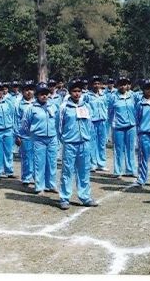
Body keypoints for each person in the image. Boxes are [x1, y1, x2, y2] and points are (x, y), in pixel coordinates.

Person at [58, 78, 98, 210]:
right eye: (74, 91)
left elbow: (90, 124)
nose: (77, 94)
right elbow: (58, 126)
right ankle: (64, 198)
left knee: (84, 171)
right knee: (67, 171)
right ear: (70, 92)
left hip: (84, 143)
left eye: (79, 91)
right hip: (70, 143)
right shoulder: (63, 107)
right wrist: (63, 139)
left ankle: (85, 197)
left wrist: (88, 139)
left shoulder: (85, 105)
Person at [21, 82, 59, 194]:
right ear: (37, 95)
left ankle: (51, 185)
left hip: (52, 137)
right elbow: (25, 124)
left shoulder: (53, 106)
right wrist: (32, 134)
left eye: (46, 94)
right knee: (39, 163)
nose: (44, 96)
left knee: (52, 162)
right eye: (41, 94)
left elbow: (57, 122)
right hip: (38, 139)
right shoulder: (31, 108)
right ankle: (39, 186)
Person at [108, 76, 137, 178]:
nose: (123, 86)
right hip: (118, 127)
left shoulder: (132, 96)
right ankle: (118, 171)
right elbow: (110, 112)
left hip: (131, 126)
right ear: (118, 85)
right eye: (121, 84)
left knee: (130, 149)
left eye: (125, 84)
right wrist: (113, 124)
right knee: (118, 149)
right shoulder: (113, 97)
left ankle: (130, 170)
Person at [83, 75, 109, 172]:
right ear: (91, 85)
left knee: (101, 143)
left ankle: (101, 164)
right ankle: (92, 164)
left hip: (102, 121)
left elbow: (106, 107)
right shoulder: (87, 96)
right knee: (92, 143)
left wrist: (105, 117)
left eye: (98, 83)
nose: (96, 85)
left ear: (101, 84)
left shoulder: (104, 95)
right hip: (92, 122)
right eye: (94, 83)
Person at [14, 80, 36, 185]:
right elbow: (16, 120)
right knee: (26, 157)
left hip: (37, 135)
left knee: (37, 158)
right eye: (26, 90)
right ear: (23, 91)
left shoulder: (38, 102)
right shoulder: (19, 104)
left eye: (31, 89)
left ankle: (37, 178)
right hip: (25, 135)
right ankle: (26, 178)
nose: (29, 92)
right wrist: (17, 135)